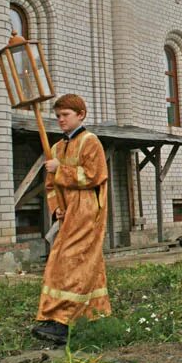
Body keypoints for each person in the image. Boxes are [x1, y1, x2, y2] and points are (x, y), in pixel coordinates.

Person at [32, 94, 110, 345]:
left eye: (65, 115)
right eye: (57, 116)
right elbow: (50, 186)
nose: (60, 120)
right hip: (68, 213)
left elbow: (95, 175)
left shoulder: (90, 142)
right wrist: (56, 209)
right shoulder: (55, 147)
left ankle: (62, 320)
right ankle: (94, 314)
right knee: (84, 263)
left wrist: (60, 170)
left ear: (80, 115)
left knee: (69, 262)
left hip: (87, 210)